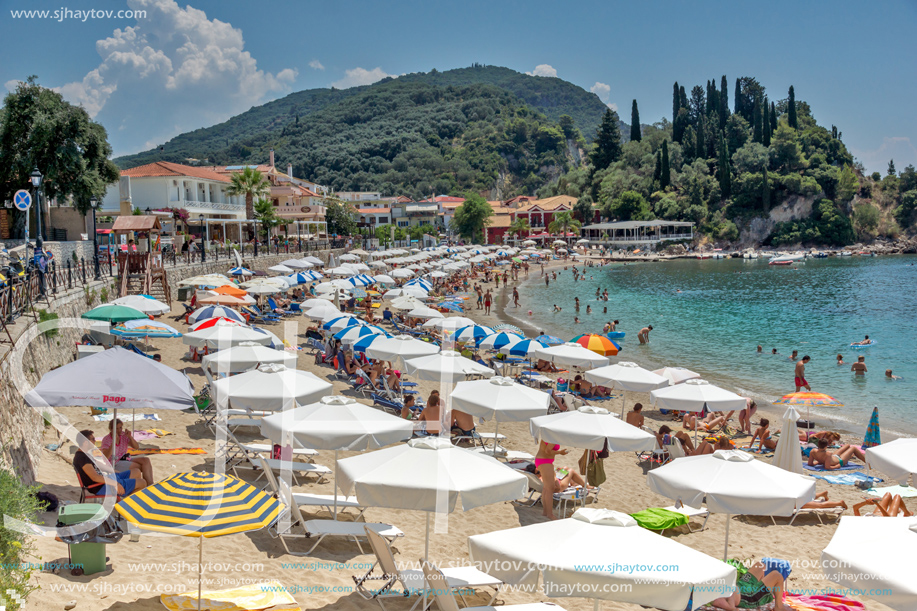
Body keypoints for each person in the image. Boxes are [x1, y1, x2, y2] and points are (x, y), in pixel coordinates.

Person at [73, 429, 146, 497]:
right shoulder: (82, 458)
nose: (95, 441)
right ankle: (124, 504)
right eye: (93, 439)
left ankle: (124, 495)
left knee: (136, 471)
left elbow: (99, 466)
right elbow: (95, 477)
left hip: (106, 479)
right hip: (101, 486)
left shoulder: (85, 454)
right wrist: (116, 483)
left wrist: (115, 472)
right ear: (86, 442)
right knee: (142, 483)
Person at [710, 558, 791, 611]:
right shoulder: (715, 599)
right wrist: (730, 592)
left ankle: (765, 590)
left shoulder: (712, 587)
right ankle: (778, 607)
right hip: (749, 596)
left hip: (742, 584)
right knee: (776, 575)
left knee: (760, 565)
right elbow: (732, 608)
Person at [101, 419, 154, 484]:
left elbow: (136, 447)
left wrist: (130, 437)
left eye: (120, 428)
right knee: (140, 467)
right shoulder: (106, 439)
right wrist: (113, 443)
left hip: (124, 458)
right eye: (116, 428)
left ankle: (150, 483)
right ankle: (147, 484)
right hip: (114, 462)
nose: (119, 430)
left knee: (146, 460)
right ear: (111, 429)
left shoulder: (123, 435)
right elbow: (105, 457)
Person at [534, 440, 570, 520]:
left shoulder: (549, 434)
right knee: (550, 488)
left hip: (543, 461)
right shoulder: (552, 437)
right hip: (544, 461)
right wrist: (560, 452)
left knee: (546, 488)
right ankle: (549, 514)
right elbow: (547, 451)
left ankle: (545, 512)